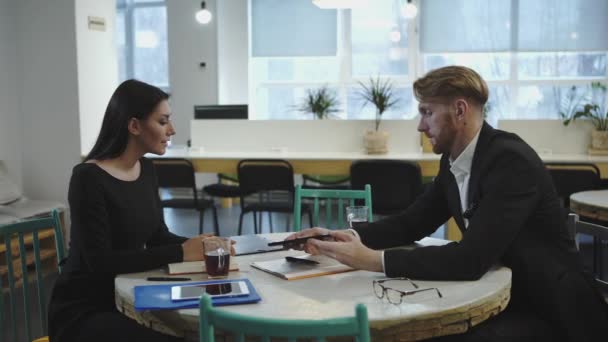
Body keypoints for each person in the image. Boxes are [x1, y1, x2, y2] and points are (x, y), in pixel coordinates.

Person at [289, 66, 608, 341]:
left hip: (550, 310)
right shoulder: (453, 162)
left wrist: (372, 260)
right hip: (507, 294)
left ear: (459, 110)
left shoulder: (510, 161)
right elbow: (411, 223)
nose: (419, 125)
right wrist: (342, 238)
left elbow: (470, 260)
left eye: (427, 112)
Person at [48, 79, 230, 342]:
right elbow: (100, 263)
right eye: (163, 121)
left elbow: (158, 236)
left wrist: (203, 245)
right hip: (86, 309)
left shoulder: (146, 170)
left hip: (127, 296)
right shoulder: (87, 178)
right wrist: (181, 251)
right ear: (134, 125)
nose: (172, 130)